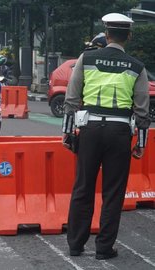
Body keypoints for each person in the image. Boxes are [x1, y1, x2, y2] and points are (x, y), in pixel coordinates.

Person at [62, 13, 150, 260]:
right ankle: (104, 248)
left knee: (83, 187)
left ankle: (75, 245)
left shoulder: (86, 58)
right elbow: (142, 110)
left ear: (106, 34)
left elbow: (71, 98)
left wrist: (68, 133)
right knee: (113, 192)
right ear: (128, 36)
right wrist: (141, 143)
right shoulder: (136, 67)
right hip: (119, 132)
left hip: (89, 130)